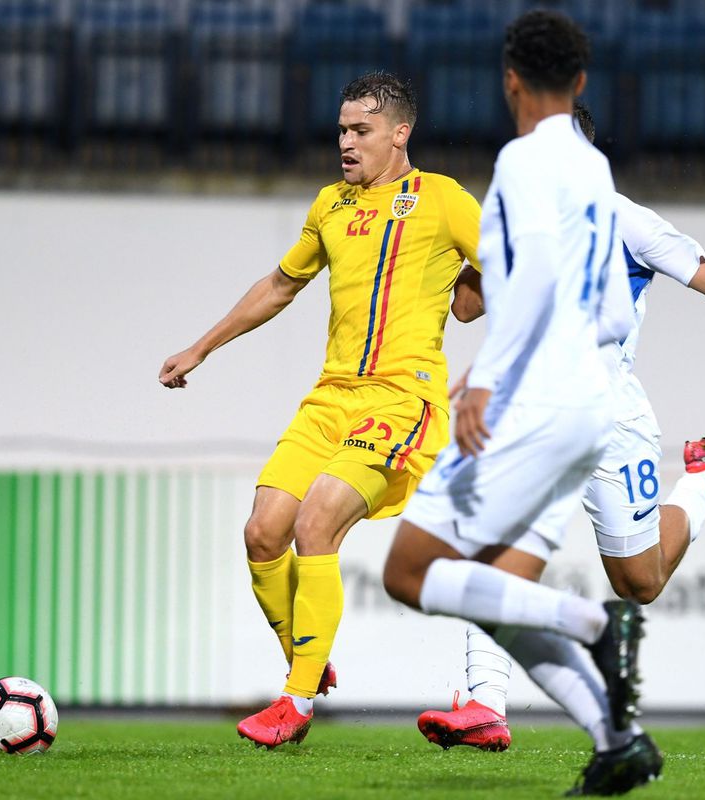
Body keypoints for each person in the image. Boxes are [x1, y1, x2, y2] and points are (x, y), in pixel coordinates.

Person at [412, 100, 705, 794]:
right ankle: (486, 706)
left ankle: (703, 483)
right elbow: (468, 308)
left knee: (641, 583)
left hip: (611, 417)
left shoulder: (627, 222)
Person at [378, 10, 658, 796]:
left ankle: (597, 625)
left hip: (534, 402)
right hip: (593, 403)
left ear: (509, 80)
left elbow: (524, 281)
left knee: (410, 572)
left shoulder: (525, 163)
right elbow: (608, 310)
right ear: (580, 82)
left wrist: (488, 379)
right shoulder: (594, 170)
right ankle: (616, 740)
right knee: (494, 584)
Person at [158, 71, 482, 748]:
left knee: (316, 521)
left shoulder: (444, 200)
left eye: (360, 130)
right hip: (330, 396)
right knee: (262, 533)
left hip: (401, 400)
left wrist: (487, 324)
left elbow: (519, 273)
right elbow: (280, 285)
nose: (345, 141)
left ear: (401, 133)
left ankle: (296, 702)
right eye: (341, 130)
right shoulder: (330, 205)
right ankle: (307, 660)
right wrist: (201, 347)